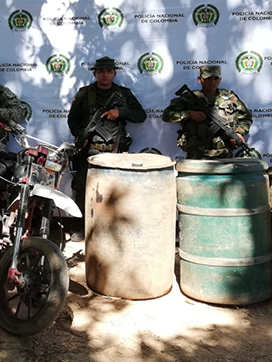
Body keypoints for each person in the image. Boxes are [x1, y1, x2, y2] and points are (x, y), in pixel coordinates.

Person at [67, 56, 147, 241]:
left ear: (114, 73)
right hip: (88, 151)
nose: (105, 74)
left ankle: (113, 229)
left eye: (109, 71)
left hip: (115, 152)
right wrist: (80, 136)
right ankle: (84, 226)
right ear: (95, 73)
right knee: (83, 189)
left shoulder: (123, 94)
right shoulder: (84, 94)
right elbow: (73, 119)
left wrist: (120, 112)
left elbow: (140, 115)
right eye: (101, 71)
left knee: (116, 191)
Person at [161, 65, 252, 159]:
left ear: (220, 80)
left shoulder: (229, 97)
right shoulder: (189, 98)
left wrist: (238, 133)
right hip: (196, 154)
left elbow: (246, 117)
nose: (212, 82)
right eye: (208, 78)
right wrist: (189, 114)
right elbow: (167, 115)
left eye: (216, 78)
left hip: (224, 154)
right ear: (200, 80)